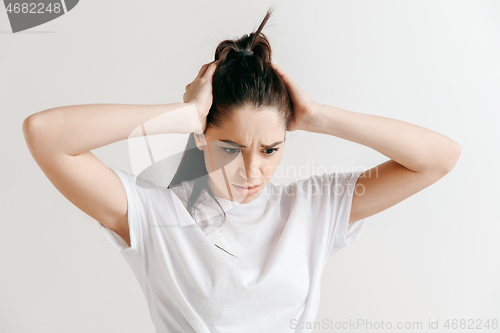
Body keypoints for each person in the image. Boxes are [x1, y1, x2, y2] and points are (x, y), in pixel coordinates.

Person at [22, 7, 461, 333]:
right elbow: (44, 135)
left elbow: (439, 159)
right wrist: (185, 113)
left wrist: (319, 116)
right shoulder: (155, 216)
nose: (251, 170)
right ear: (202, 135)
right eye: (230, 147)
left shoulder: (313, 209)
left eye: (270, 150)